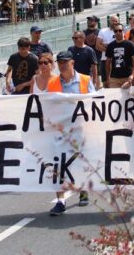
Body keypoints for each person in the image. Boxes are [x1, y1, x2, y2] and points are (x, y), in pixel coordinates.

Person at [47, 51, 96, 215]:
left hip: (80, 130)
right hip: (59, 131)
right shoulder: (52, 82)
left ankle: (83, 189)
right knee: (58, 164)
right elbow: (47, 105)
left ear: (72, 63)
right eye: (60, 62)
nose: (62, 65)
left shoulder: (85, 80)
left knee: (80, 162)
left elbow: (94, 103)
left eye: (65, 62)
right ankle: (61, 201)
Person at [105, 22, 134, 88]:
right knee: (114, 97)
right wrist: (108, 77)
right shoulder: (110, 45)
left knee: (128, 97)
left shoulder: (129, 44)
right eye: (116, 31)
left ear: (123, 31)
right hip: (114, 78)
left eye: (120, 30)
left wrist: (132, 75)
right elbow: (108, 62)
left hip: (127, 77)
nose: (118, 32)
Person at [95, 16, 120, 87]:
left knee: (117, 81)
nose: (114, 22)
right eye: (113, 20)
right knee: (105, 83)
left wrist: (107, 45)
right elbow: (97, 46)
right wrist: (110, 50)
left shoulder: (122, 31)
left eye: (116, 21)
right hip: (105, 59)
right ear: (109, 21)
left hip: (117, 60)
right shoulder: (103, 31)